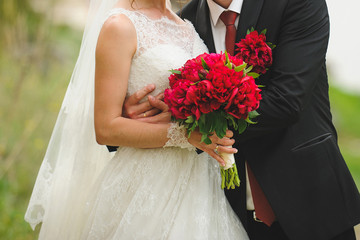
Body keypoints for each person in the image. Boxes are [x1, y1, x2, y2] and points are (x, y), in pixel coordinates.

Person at [122, 0, 360, 239]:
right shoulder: (184, 22)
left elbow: (288, 101)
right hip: (229, 215)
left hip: (310, 198)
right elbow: (164, 94)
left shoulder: (296, 3)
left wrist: (185, 125)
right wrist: (135, 114)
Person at [25, 0, 250, 239]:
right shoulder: (119, 26)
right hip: (147, 186)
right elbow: (105, 128)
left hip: (201, 186)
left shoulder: (186, 23)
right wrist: (185, 135)